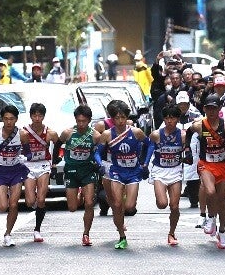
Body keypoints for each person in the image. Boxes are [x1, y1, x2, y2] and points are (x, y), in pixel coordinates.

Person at [188, 94, 225, 249]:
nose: (211, 111)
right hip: (206, 165)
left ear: (219, 109)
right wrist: (187, 150)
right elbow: (189, 133)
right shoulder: (199, 125)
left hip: (223, 166)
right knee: (210, 192)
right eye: (208, 108)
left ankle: (222, 232)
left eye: (214, 108)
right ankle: (210, 217)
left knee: (223, 202)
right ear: (204, 109)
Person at [97, 100, 147, 249]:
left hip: (133, 172)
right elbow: (97, 153)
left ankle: (124, 205)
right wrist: (100, 164)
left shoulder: (136, 132)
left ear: (127, 117)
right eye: (116, 118)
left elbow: (149, 144)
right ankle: (121, 235)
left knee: (130, 207)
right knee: (116, 205)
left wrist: (144, 163)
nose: (120, 121)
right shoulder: (107, 134)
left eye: (123, 118)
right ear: (112, 119)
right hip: (116, 171)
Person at [0, 105, 30, 247]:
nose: (9, 122)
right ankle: (7, 231)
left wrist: (25, 158)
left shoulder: (22, 134)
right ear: (2, 119)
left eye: (12, 119)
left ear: (16, 119)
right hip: (1, 171)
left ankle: (8, 234)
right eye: (6, 119)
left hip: (16, 170)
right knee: (2, 206)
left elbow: (28, 152)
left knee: (13, 204)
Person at [55, 104, 102, 247]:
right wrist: (55, 160)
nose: (81, 124)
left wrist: (99, 163)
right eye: (78, 121)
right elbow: (58, 144)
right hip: (71, 171)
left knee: (89, 203)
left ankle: (86, 234)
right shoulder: (68, 133)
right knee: (72, 207)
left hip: (87, 170)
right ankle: (79, 193)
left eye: (84, 121)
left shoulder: (95, 136)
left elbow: (100, 151)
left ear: (89, 121)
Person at [145, 105, 188, 246]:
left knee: (174, 206)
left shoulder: (182, 135)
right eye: (167, 118)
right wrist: (144, 165)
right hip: (160, 171)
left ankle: (171, 233)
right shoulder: (156, 134)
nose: (170, 121)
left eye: (173, 118)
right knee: (162, 204)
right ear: (164, 119)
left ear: (177, 119)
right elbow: (149, 149)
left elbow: (187, 151)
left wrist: (188, 156)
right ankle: (160, 196)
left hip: (175, 171)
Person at [23, 103, 59, 242]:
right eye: (34, 115)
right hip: (28, 166)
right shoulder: (24, 132)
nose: (37, 118)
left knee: (41, 199)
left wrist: (55, 161)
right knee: (30, 201)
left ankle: (37, 230)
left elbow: (58, 143)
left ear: (43, 116)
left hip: (43, 165)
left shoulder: (50, 133)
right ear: (31, 116)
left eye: (40, 115)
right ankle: (38, 207)